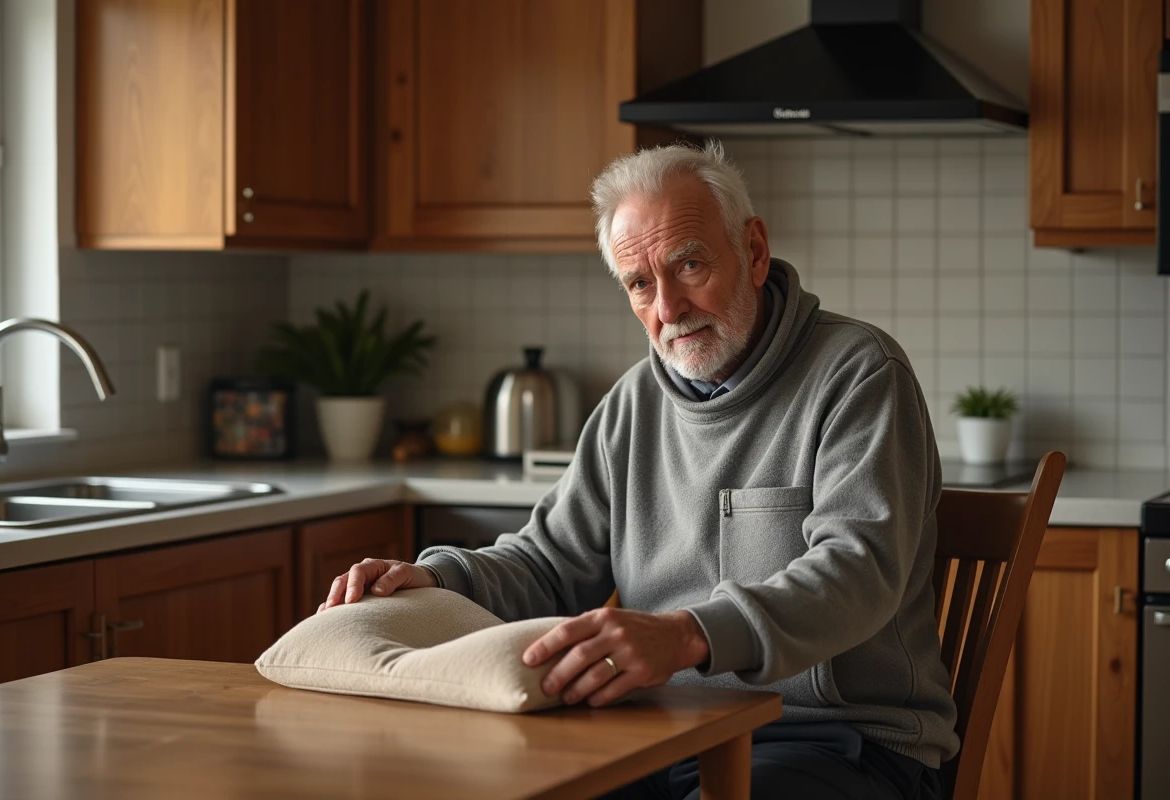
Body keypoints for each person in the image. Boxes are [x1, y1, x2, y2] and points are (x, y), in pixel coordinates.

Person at [318, 142, 956, 799]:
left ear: (754, 250)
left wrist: (688, 635)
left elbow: (859, 570)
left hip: (839, 743)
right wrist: (436, 575)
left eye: (690, 264)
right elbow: (548, 563)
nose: (669, 308)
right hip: (660, 734)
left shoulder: (859, 371)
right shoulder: (631, 404)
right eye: (640, 284)